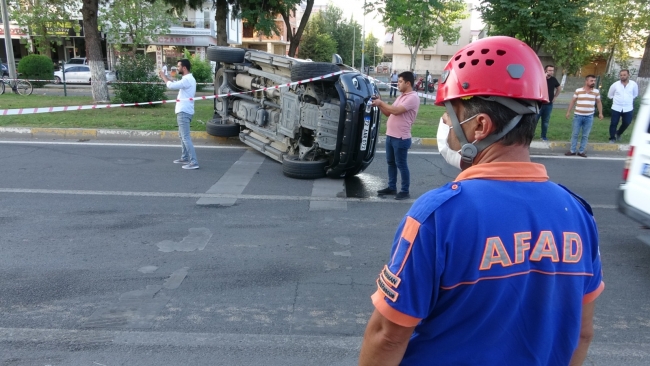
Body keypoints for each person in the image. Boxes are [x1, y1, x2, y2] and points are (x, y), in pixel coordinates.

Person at [359, 36, 603, 366]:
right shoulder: (577, 214)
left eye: (450, 114)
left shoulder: (437, 217)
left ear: (479, 126)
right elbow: (581, 334)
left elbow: (388, 335)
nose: (446, 123)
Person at [373, 71, 419, 200]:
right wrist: (379, 103)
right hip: (390, 136)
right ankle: (391, 187)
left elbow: (397, 111)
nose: (397, 84)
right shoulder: (401, 96)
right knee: (391, 163)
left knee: (401, 164)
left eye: (400, 82)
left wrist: (381, 103)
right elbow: (389, 112)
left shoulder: (412, 97)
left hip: (401, 138)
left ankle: (405, 190)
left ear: (408, 83)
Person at [159, 59, 199, 170]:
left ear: (184, 68)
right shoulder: (188, 79)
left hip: (184, 111)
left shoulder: (187, 79)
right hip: (185, 110)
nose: (177, 68)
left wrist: (163, 76)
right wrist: (167, 78)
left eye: (178, 66)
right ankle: (185, 157)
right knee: (182, 136)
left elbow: (171, 86)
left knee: (185, 137)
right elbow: (174, 84)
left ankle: (193, 162)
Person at [565, 75, 603, 158]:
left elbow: (599, 102)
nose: (593, 82)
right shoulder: (578, 91)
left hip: (589, 117)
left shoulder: (596, 92)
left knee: (585, 135)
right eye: (591, 81)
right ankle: (572, 150)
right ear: (586, 81)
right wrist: (568, 112)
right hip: (578, 116)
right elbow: (573, 101)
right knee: (575, 134)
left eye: (594, 81)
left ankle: (581, 151)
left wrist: (600, 113)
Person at [607, 69, 639, 143]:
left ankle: (618, 133)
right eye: (621, 75)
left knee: (627, 122)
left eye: (624, 75)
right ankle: (612, 138)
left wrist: (628, 100)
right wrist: (617, 100)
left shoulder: (633, 84)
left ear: (628, 75)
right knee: (614, 123)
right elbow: (610, 95)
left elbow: (635, 94)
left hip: (628, 108)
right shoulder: (615, 85)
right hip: (616, 107)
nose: (622, 76)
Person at [535, 65, 561, 141]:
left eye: (552, 70)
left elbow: (559, 88)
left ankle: (543, 136)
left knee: (545, 122)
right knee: (534, 120)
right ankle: (530, 135)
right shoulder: (540, 78)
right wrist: (543, 78)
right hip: (539, 104)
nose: (551, 72)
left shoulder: (553, 79)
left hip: (548, 104)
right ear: (545, 70)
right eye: (549, 70)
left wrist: (555, 96)